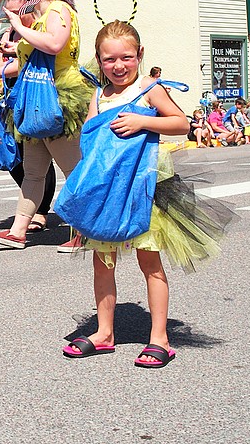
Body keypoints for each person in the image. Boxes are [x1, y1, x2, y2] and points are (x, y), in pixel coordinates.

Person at [61, 20, 234, 368]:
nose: (118, 66)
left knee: (150, 262)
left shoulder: (149, 88)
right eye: (109, 60)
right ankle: (104, 333)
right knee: (102, 262)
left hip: (144, 189)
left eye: (126, 57)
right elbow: (90, 146)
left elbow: (181, 123)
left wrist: (144, 122)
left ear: (139, 55)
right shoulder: (97, 96)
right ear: (98, 59)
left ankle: (159, 338)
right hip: (107, 193)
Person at [0, 0, 91, 251]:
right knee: (33, 172)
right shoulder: (44, 17)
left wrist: (20, 27)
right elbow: (30, 62)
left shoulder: (59, 11)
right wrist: (9, 55)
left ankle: (84, 230)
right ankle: (18, 231)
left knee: (72, 169)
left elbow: (54, 44)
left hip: (57, 98)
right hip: (36, 98)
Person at [0, 0, 57, 231]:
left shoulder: (37, 29)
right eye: (7, 12)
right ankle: (31, 208)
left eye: (15, 11)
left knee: (40, 156)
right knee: (15, 156)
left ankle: (41, 211)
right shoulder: (10, 32)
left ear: (28, 7)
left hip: (36, 95)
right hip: (11, 100)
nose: (11, 17)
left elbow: (24, 63)